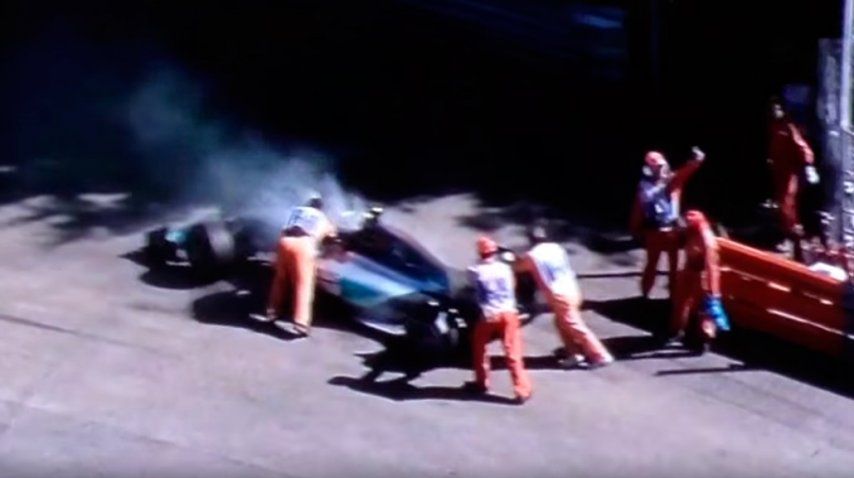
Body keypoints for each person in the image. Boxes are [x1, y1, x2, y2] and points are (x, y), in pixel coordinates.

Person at [516, 225, 613, 368]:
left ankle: (600, 355)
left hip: (559, 294)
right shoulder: (557, 248)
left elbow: (519, 268)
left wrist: (512, 263)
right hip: (572, 289)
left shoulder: (533, 255)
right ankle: (574, 355)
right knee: (561, 323)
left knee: (573, 324)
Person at [464, 236, 533, 404]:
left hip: (489, 315)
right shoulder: (505, 268)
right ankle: (522, 390)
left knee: (479, 347)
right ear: (494, 252)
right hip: (508, 313)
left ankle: (482, 382)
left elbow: (471, 287)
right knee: (513, 352)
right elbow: (513, 286)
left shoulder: (474, 270)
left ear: (480, 252)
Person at [630, 147, 706, 298]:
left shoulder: (644, 187)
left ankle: (644, 295)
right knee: (673, 264)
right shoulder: (672, 181)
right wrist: (697, 160)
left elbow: (638, 209)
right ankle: (672, 296)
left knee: (652, 263)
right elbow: (687, 171)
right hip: (671, 230)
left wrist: (635, 228)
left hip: (653, 231)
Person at [264, 193, 337, 337]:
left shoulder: (295, 211)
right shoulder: (322, 217)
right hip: (304, 245)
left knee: (280, 280)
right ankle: (300, 324)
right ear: (321, 207)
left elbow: (283, 229)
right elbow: (332, 236)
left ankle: (272, 312)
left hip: (284, 242)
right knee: (304, 285)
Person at [669, 210, 730, 353]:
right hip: (690, 269)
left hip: (703, 274)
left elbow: (711, 266)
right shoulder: (690, 232)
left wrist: (713, 290)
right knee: (681, 302)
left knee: (705, 309)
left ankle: (704, 340)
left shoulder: (707, 240)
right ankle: (676, 331)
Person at [767, 98, 819, 258]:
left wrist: (808, 165)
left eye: (778, 109)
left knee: (787, 204)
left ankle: (794, 237)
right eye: (773, 109)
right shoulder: (775, 127)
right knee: (782, 206)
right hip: (779, 172)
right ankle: (791, 238)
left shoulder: (789, 127)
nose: (775, 112)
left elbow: (802, 146)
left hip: (790, 173)